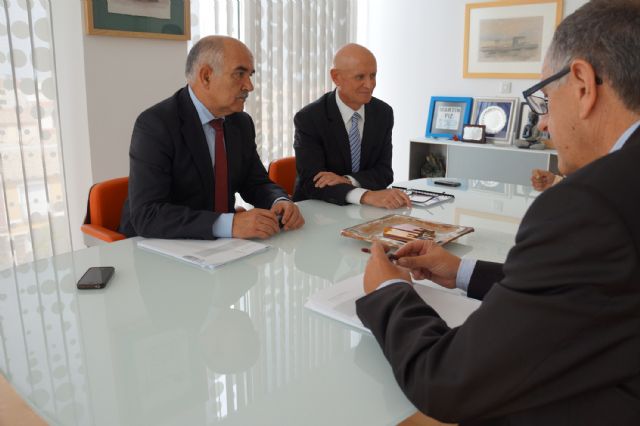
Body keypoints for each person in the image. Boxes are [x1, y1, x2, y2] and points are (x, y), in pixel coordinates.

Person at [356, 1, 640, 424]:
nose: (543, 126)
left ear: (582, 84)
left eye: (544, 100)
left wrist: (386, 292)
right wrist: (460, 272)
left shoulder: (590, 203)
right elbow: (586, 292)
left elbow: (447, 383)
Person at [119, 36, 304, 240]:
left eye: (250, 75)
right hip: (159, 246)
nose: (249, 86)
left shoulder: (241, 123)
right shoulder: (156, 124)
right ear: (206, 76)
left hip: (218, 248)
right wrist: (228, 224)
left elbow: (255, 182)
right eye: (239, 74)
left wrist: (278, 201)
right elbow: (148, 215)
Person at [292, 43, 411, 209]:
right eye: (360, 77)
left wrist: (348, 180)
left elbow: (384, 172)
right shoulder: (309, 118)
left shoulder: (383, 113)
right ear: (336, 77)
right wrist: (365, 195)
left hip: (365, 211)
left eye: (373, 75)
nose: (369, 85)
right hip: (318, 210)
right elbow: (314, 182)